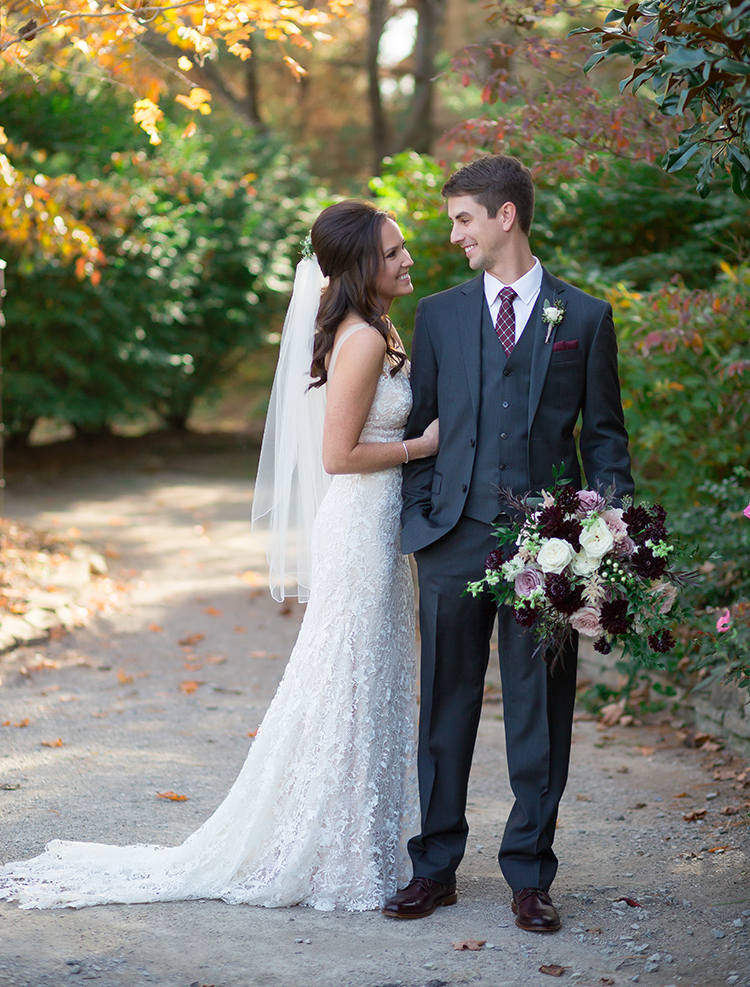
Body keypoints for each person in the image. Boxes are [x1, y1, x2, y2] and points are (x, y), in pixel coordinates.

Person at [0, 199, 438, 912]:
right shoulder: (361, 338)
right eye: (393, 252)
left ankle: (358, 840)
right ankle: (336, 849)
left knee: (369, 678)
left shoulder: (375, 328)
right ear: (363, 264)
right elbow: (337, 454)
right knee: (349, 680)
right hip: (358, 525)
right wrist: (422, 446)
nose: (407, 259)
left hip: (373, 525)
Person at [383, 155, 634, 929]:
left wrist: (605, 540)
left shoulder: (583, 317)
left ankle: (529, 873)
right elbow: (420, 425)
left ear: (505, 217)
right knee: (445, 706)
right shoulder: (441, 314)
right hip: (454, 538)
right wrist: (423, 521)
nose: (453, 233)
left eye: (462, 218)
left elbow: (605, 440)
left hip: (548, 550)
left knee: (541, 711)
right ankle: (436, 866)